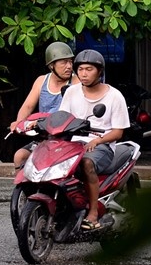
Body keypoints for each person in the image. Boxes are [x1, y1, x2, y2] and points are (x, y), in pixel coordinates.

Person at [59, 49, 131, 230]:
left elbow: (118, 132)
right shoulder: (71, 92)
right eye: (81, 69)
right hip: (73, 143)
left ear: (99, 71)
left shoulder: (114, 96)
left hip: (103, 146)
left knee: (86, 164)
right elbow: (62, 118)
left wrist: (97, 141)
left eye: (89, 69)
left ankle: (92, 213)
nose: (83, 73)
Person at [10, 41, 79, 169]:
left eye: (70, 61)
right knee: (20, 156)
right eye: (64, 62)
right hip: (44, 137)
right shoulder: (42, 81)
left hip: (67, 138)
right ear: (52, 65)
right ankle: (26, 189)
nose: (69, 66)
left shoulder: (76, 82)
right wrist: (18, 123)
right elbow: (28, 106)